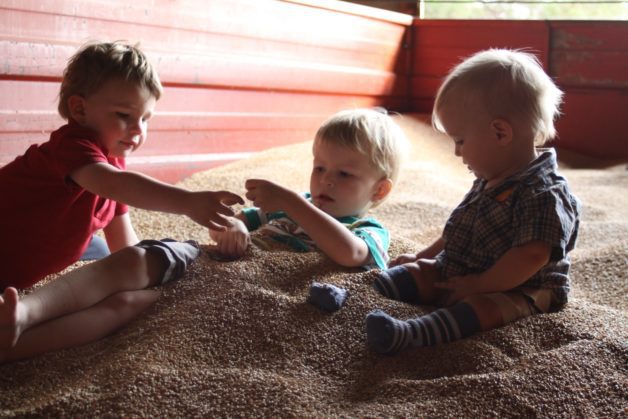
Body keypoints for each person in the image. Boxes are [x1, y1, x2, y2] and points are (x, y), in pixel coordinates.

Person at [366, 49, 581, 354]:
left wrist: (480, 285)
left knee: (480, 309)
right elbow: (459, 227)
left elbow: (530, 256)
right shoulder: (490, 177)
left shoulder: (543, 194)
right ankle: (361, 293)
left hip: (522, 288)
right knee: (418, 272)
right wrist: (422, 255)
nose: (456, 152)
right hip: (468, 268)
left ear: (500, 132)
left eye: (461, 141)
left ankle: (411, 333)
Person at [0, 41, 243, 291]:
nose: (138, 129)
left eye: (145, 119)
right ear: (80, 109)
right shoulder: (72, 147)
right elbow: (115, 184)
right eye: (124, 115)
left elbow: (124, 243)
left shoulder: (113, 163)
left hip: (40, 249)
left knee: (104, 256)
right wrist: (188, 202)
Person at [210, 108, 409, 273]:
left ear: (380, 190)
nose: (326, 180)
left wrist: (292, 203)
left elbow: (351, 254)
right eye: (320, 168)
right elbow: (227, 221)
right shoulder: (293, 204)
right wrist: (233, 228)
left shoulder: (368, 230)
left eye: (345, 174)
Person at [0, 239, 199, 363]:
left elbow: (123, 239)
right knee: (132, 276)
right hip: (177, 264)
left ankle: (19, 323)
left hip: (178, 274)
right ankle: (23, 315)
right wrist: (186, 202)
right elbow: (109, 180)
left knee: (129, 298)